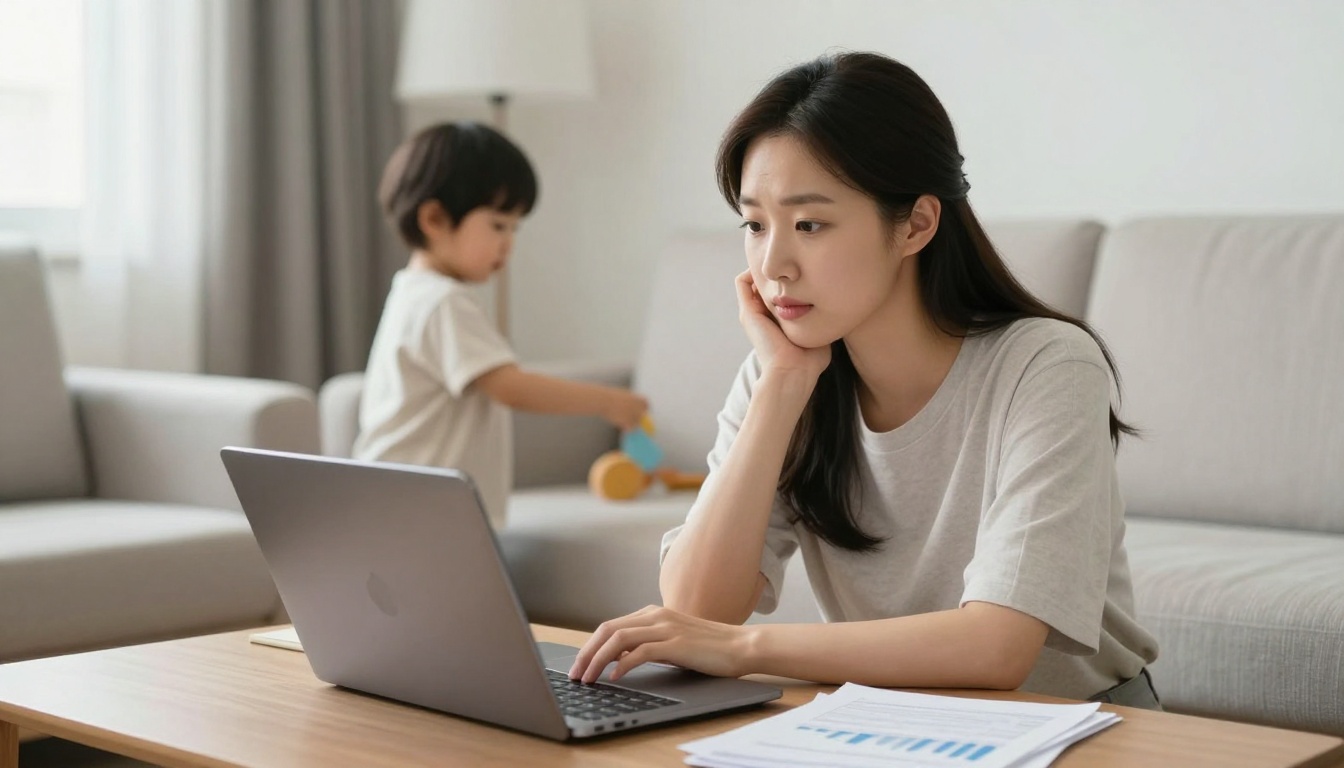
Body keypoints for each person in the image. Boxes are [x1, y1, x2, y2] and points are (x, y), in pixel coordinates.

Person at [568, 52, 1161, 708]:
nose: (774, 266)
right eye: (755, 224)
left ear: (915, 224)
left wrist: (746, 652)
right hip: (889, 722)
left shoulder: (1048, 366)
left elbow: (998, 648)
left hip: (1076, 727)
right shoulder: (786, 368)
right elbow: (697, 607)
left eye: (810, 225)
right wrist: (782, 387)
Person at [355, 122, 648, 527]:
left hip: (390, 501)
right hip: (425, 512)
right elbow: (510, 387)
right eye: (497, 225)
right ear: (435, 219)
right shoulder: (445, 302)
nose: (508, 243)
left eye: (515, 228)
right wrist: (610, 401)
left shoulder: (410, 293)